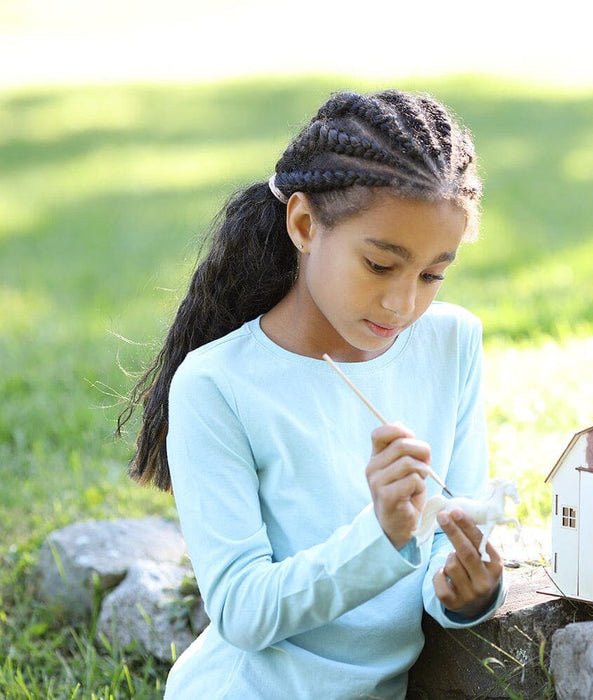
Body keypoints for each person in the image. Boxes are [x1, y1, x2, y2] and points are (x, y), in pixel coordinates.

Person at [118, 89, 506, 698]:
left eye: (433, 273)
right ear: (303, 224)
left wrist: (469, 587)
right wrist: (379, 535)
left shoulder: (451, 343)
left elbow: (451, 536)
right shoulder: (218, 384)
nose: (404, 303)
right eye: (380, 265)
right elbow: (241, 611)